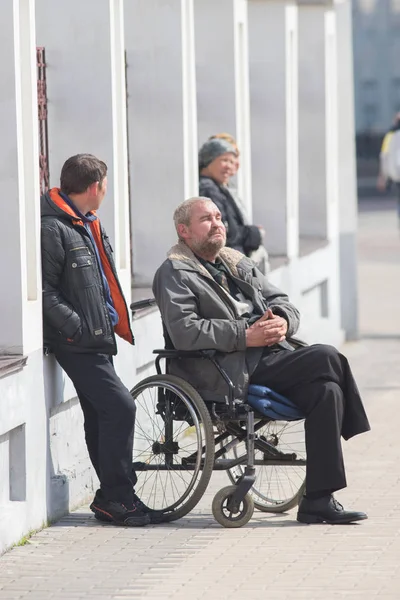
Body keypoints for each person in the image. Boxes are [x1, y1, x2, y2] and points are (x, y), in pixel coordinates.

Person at [153, 197, 371, 525]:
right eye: (205, 219)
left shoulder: (235, 262)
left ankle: (317, 501)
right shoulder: (174, 271)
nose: (216, 223)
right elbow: (185, 332)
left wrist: (283, 320)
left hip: (270, 358)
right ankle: (354, 426)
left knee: (328, 391)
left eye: (218, 217)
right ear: (184, 231)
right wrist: (245, 335)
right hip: (226, 369)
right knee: (326, 355)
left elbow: (282, 301)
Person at [41, 153, 152, 527]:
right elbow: (44, 291)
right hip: (77, 341)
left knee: (101, 414)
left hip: (95, 337)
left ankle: (112, 499)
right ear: (94, 187)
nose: (106, 191)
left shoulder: (87, 222)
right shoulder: (53, 228)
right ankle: (118, 496)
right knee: (121, 407)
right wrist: (78, 328)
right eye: (105, 185)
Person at [199, 138, 266, 268]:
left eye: (232, 162)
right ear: (209, 161)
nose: (229, 166)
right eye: (224, 160)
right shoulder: (208, 189)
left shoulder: (219, 187)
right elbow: (224, 231)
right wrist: (254, 233)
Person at [377, 112, 400, 225]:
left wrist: (382, 176)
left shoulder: (390, 136)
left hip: (396, 174)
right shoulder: (390, 136)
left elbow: (384, 156)